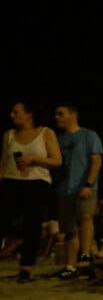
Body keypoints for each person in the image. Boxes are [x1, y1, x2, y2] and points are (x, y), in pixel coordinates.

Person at [0, 101, 62, 282]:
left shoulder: (45, 132)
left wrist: (34, 159)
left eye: (16, 111)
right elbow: (3, 162)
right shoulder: (9, 135)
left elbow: (57, 161)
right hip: (11, 181)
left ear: (29, 114)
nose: (12, 115)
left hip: (37, 182)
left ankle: (25, 269)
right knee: (2, 220)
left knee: (32, 226)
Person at [52, 105, 103, 278]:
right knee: (69, 229)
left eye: (61, 113)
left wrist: (88, 184)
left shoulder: (89, 135)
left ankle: (86, 256)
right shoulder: (58, 139)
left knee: (86, 217)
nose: (56, 117)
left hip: (84, 186)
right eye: (56, 114)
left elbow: (96, 161)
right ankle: (70, 266)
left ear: (73, 115)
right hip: (64, 188)